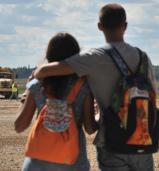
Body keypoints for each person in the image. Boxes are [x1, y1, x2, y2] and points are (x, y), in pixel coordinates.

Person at [34, 3, 157, 171]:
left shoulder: (94, 57)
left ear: (100, 26)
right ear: (125, 26)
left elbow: (44, 71)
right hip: (142, 139)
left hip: (112, 140)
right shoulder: (143, 57)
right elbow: (152, 95)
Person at [15, 32, 98, 171]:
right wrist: (98, 114)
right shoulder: (83, 86)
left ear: (49, 55)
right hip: (73, 163)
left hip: (37, 164)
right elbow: (90, 129)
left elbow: (20, 126)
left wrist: (25, 96)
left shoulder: (38, 84)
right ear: (75, 57)